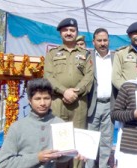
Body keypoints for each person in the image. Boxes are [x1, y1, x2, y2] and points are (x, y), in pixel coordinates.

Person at [0, 78, 81, 168]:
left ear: (51, 99)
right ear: (29, 100)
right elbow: (3, 164)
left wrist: (76, 153)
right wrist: (37, 158)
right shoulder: (17, 128)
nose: (42, 103)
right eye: (37, 99)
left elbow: (64, 155)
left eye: (46, 98)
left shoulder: (60, 124)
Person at [44, 18, 93, 168]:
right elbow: (48, 76)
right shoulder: (52, 54)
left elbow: (89, 77)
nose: (69, 33)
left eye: (72, 30)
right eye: (65, 30)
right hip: (58, 102)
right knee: (58, 140)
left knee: (78, 140)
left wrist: (75, 93)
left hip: (79, 104)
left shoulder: (86, 54)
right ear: (60, 33)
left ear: (77, 32)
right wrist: (64, 91)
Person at [85, 28, 114, 168]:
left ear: (109, 41)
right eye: (99, 40)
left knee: (106, 141)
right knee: (90, 140)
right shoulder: (87, 57)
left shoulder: (115, 57)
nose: (102, 43)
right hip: (93, 105)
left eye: (105, 40)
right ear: (93, 42)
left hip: (110, 104)